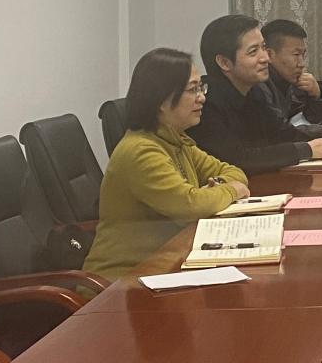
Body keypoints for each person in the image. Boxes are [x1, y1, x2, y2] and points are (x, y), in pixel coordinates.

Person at [83, 48, 250, 280]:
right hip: (123, 280)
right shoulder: (142, 151)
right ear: (161, 100)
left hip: (167, 263)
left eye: (201, 88)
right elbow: (190, 206)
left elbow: (233, 172)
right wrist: (230, 190)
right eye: (192, 89)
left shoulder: (175, 140)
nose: (202, 97)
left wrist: (216, 187)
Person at [188, 14, 322, 174]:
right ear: (224, 62)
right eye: (253, 52)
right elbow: (237, 159)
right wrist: (307, 150)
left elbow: (283, 134)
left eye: (263, 48)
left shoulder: (253, 91)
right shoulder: (204, 102)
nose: (266, 58)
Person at [259, 19, 322, 142]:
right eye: (296, 55)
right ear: (269, 55)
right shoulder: (259, 86)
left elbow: (307, 123)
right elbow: (284, 133)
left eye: (303, 55)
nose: (302, 64)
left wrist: (316, 96)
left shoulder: (286, 81)